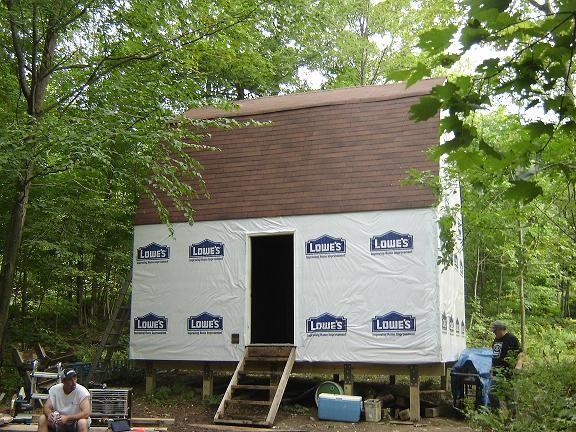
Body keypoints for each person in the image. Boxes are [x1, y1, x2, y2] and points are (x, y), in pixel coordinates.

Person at [489, 320, 524, 412]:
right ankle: (496, 416)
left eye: (495, 331)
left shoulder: (511, 338)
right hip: (496, 372)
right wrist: (491, 368)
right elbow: (495, 355)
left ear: (501, 329)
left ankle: (512, 418)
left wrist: (519, 365)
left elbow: (520, 353)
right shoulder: (496, 339)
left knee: (509, 396)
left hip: (508, 372)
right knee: (491, 393)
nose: (494, 333)